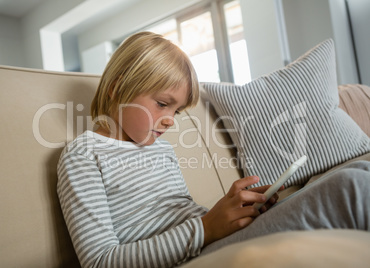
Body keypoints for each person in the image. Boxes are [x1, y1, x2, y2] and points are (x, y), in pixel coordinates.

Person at [57, 31, 370, 268]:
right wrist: (207, 228)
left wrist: (231, 210)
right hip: (188, 257)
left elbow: (183, 216)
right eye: (163, 104)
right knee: (350, 188)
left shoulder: (160, 149)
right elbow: (99, 261)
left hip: (207, 242)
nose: (169, 121)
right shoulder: (84, 154)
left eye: (176, 112)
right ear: (117, 87)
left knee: (359, 170)